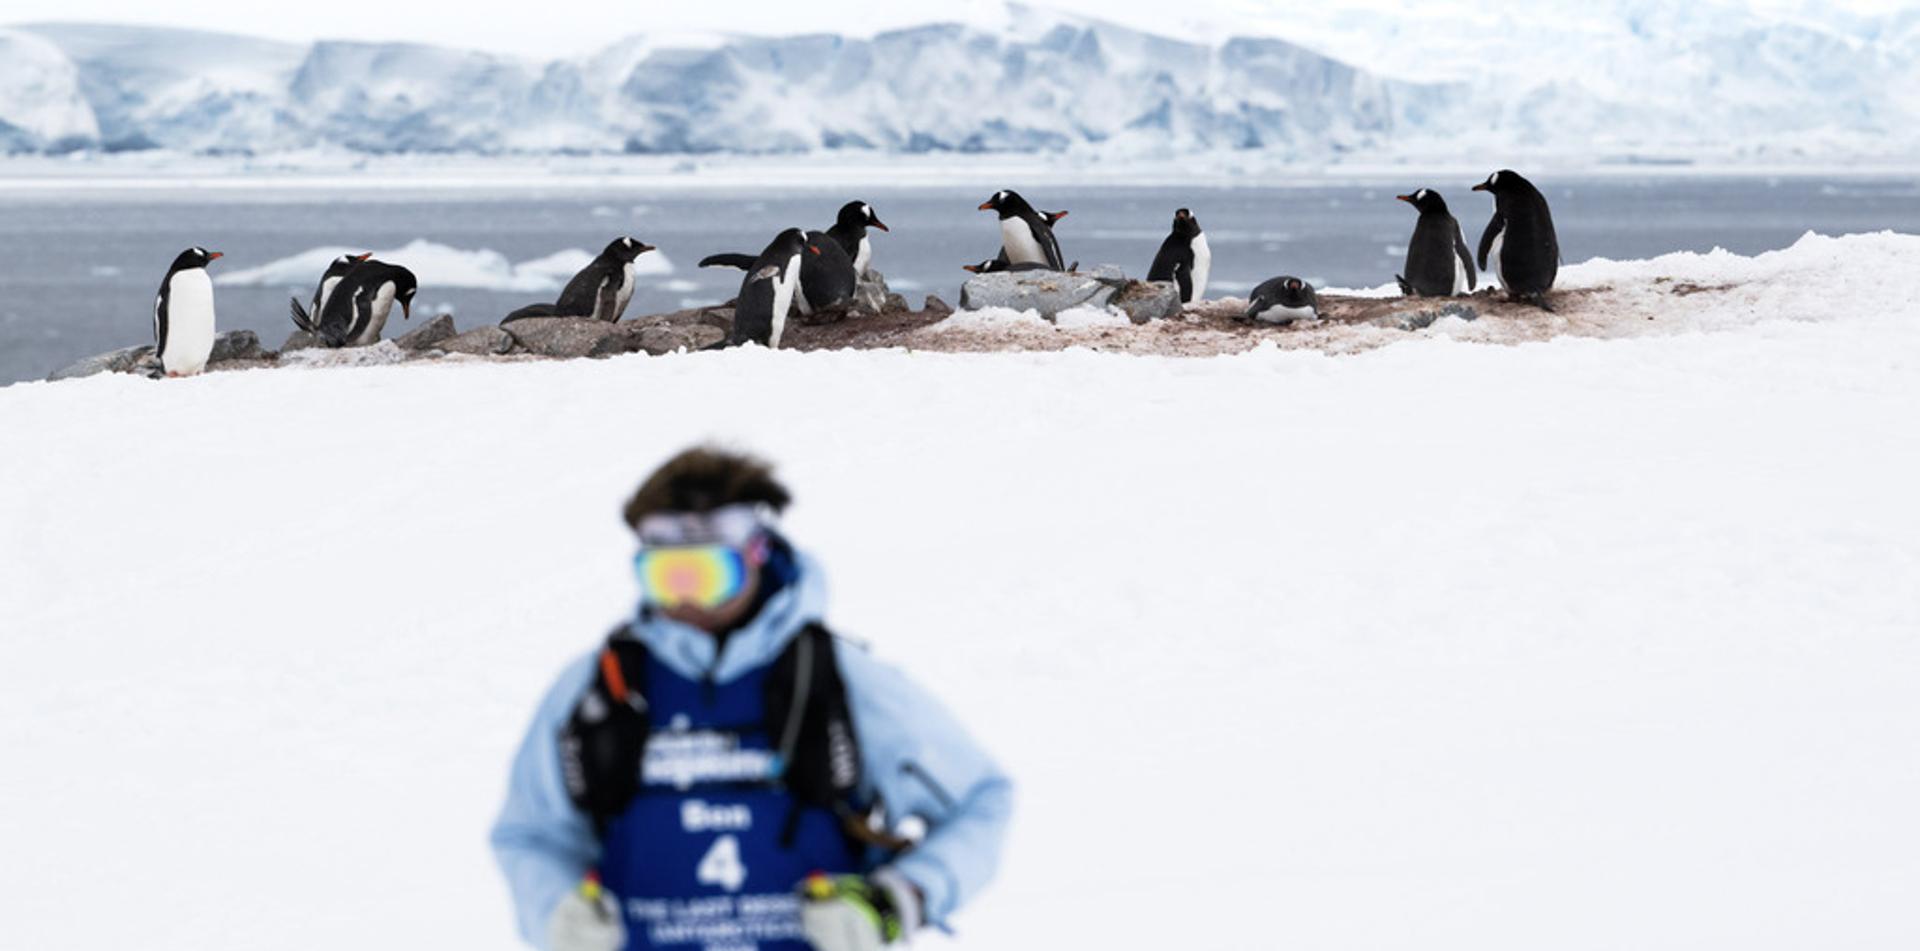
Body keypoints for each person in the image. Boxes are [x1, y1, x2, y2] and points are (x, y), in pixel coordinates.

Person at [491, 447, 1012, 951]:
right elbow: (530, 834)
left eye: (710, 574)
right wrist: (554, 912)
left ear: (756, 553)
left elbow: (980, 801)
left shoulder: (839, 679)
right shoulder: (600, 687)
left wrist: (899, 900)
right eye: (667, 577)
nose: (687, 599)